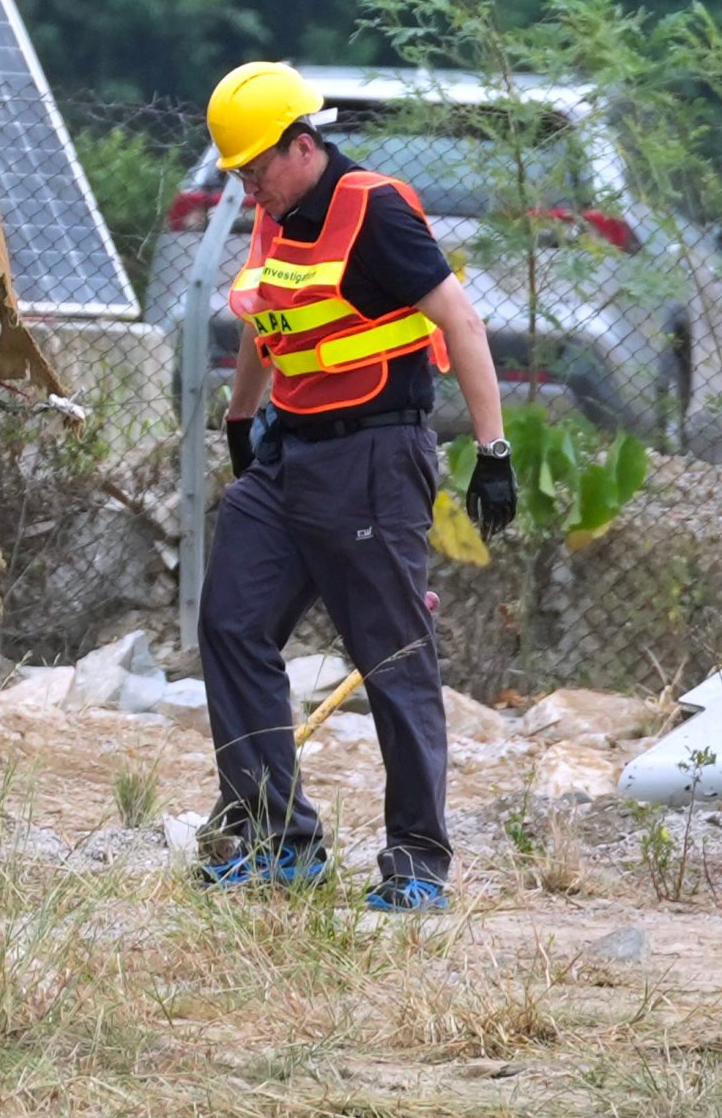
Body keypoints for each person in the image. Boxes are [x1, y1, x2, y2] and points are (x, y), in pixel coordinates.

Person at [194, 61, 517, 911]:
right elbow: (270, 319)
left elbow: (461, 318)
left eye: (256, 168)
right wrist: (239, 420)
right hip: (286, 454)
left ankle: (415, 860)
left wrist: (492, 448)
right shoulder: (277, 211)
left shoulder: (370, 209)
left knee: (393, 659)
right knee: (230, 623)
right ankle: (279, 842)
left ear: (302, 145)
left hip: (373, 459)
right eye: (239, 174)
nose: (248, 186)